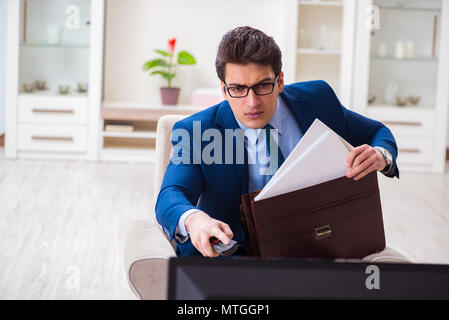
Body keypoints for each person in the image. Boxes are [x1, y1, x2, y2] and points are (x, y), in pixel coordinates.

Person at [155, 26, 398, 257]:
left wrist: (381, 155)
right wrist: (194, 219)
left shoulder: (318, 100)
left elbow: (377, 132)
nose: (251, 102)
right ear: (223, 89)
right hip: (235, 256)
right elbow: (171, 193)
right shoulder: (197, 131)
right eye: (238, 89)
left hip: (319, 245)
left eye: (262, 86)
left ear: (280, 81)